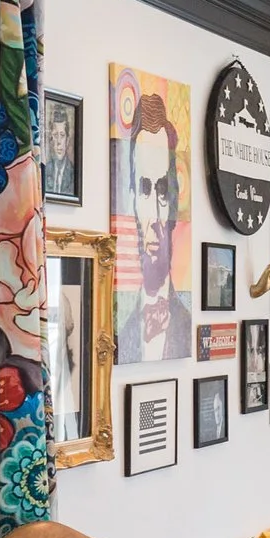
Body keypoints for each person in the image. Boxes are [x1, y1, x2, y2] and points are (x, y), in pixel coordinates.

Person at [116, 92, 191, 360]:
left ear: (173, 200)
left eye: (162, 191)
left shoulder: (188, 324)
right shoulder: (121, 335)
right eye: (145, 189)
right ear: (132, 196)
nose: (156, 215)